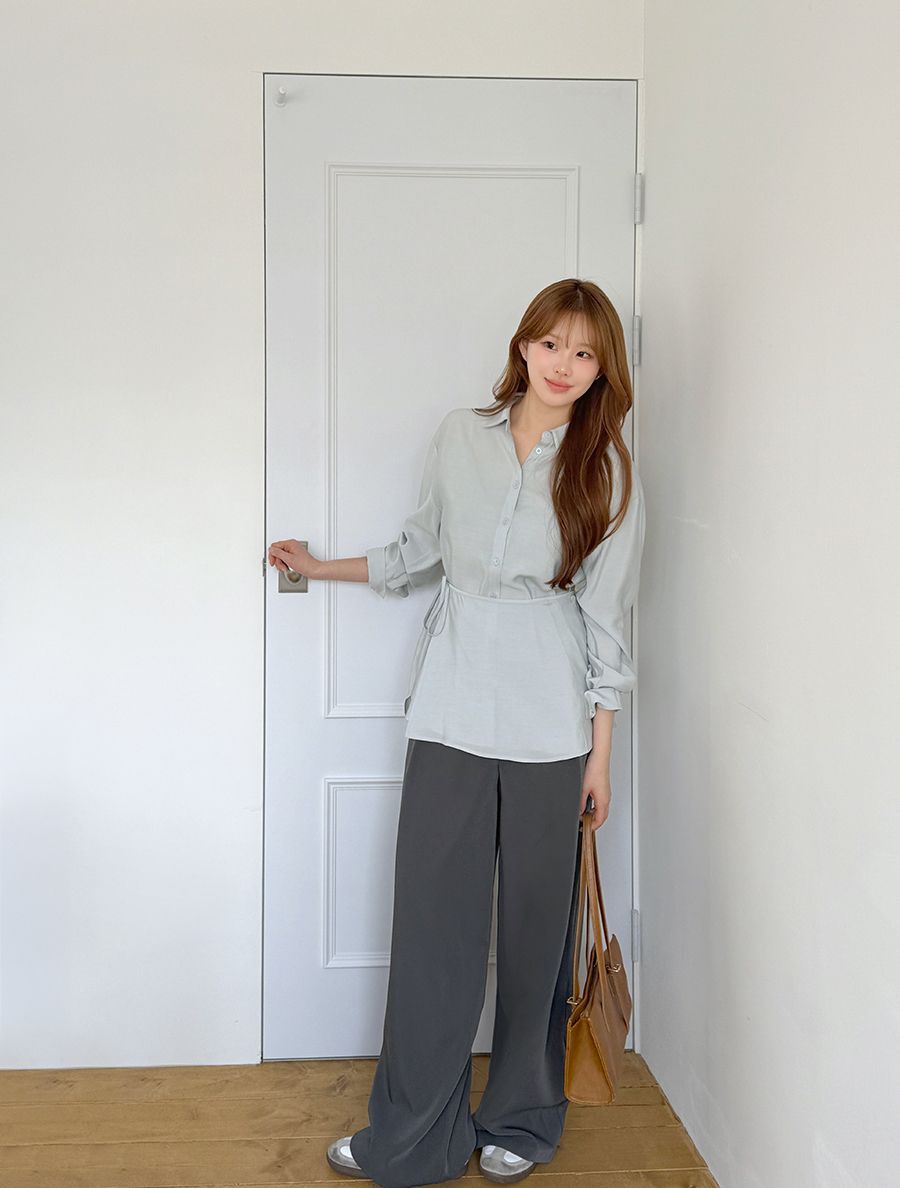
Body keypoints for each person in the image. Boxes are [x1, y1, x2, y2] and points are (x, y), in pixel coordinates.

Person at [267, 278, 646, 1188]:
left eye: (584, 353)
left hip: (553, 730)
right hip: (451, 712)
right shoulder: (459, 437)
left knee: (536, 943)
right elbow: (419, 551)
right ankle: (412, 1134)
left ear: (603, 370)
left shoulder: (610, 468)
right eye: (551, 345)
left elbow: (607, 623)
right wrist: (320, 566)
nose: (563, 365)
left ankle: (522, 1118)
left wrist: (601, 756)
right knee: (433, 933)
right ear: (523, 347)